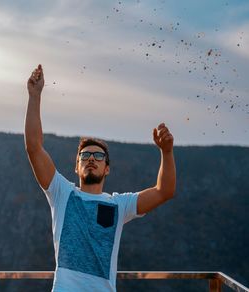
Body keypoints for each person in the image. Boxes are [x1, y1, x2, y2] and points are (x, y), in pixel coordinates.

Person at [25, 64, 176, 292]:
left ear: (107, 168)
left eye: (98, 155)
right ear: (76, 166)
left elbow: (164, 191)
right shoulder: (62, 193)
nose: (91, 159)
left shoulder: (118, 205)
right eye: (85, 155)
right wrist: (34, 96)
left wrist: (166, 152)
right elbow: (34, 147)